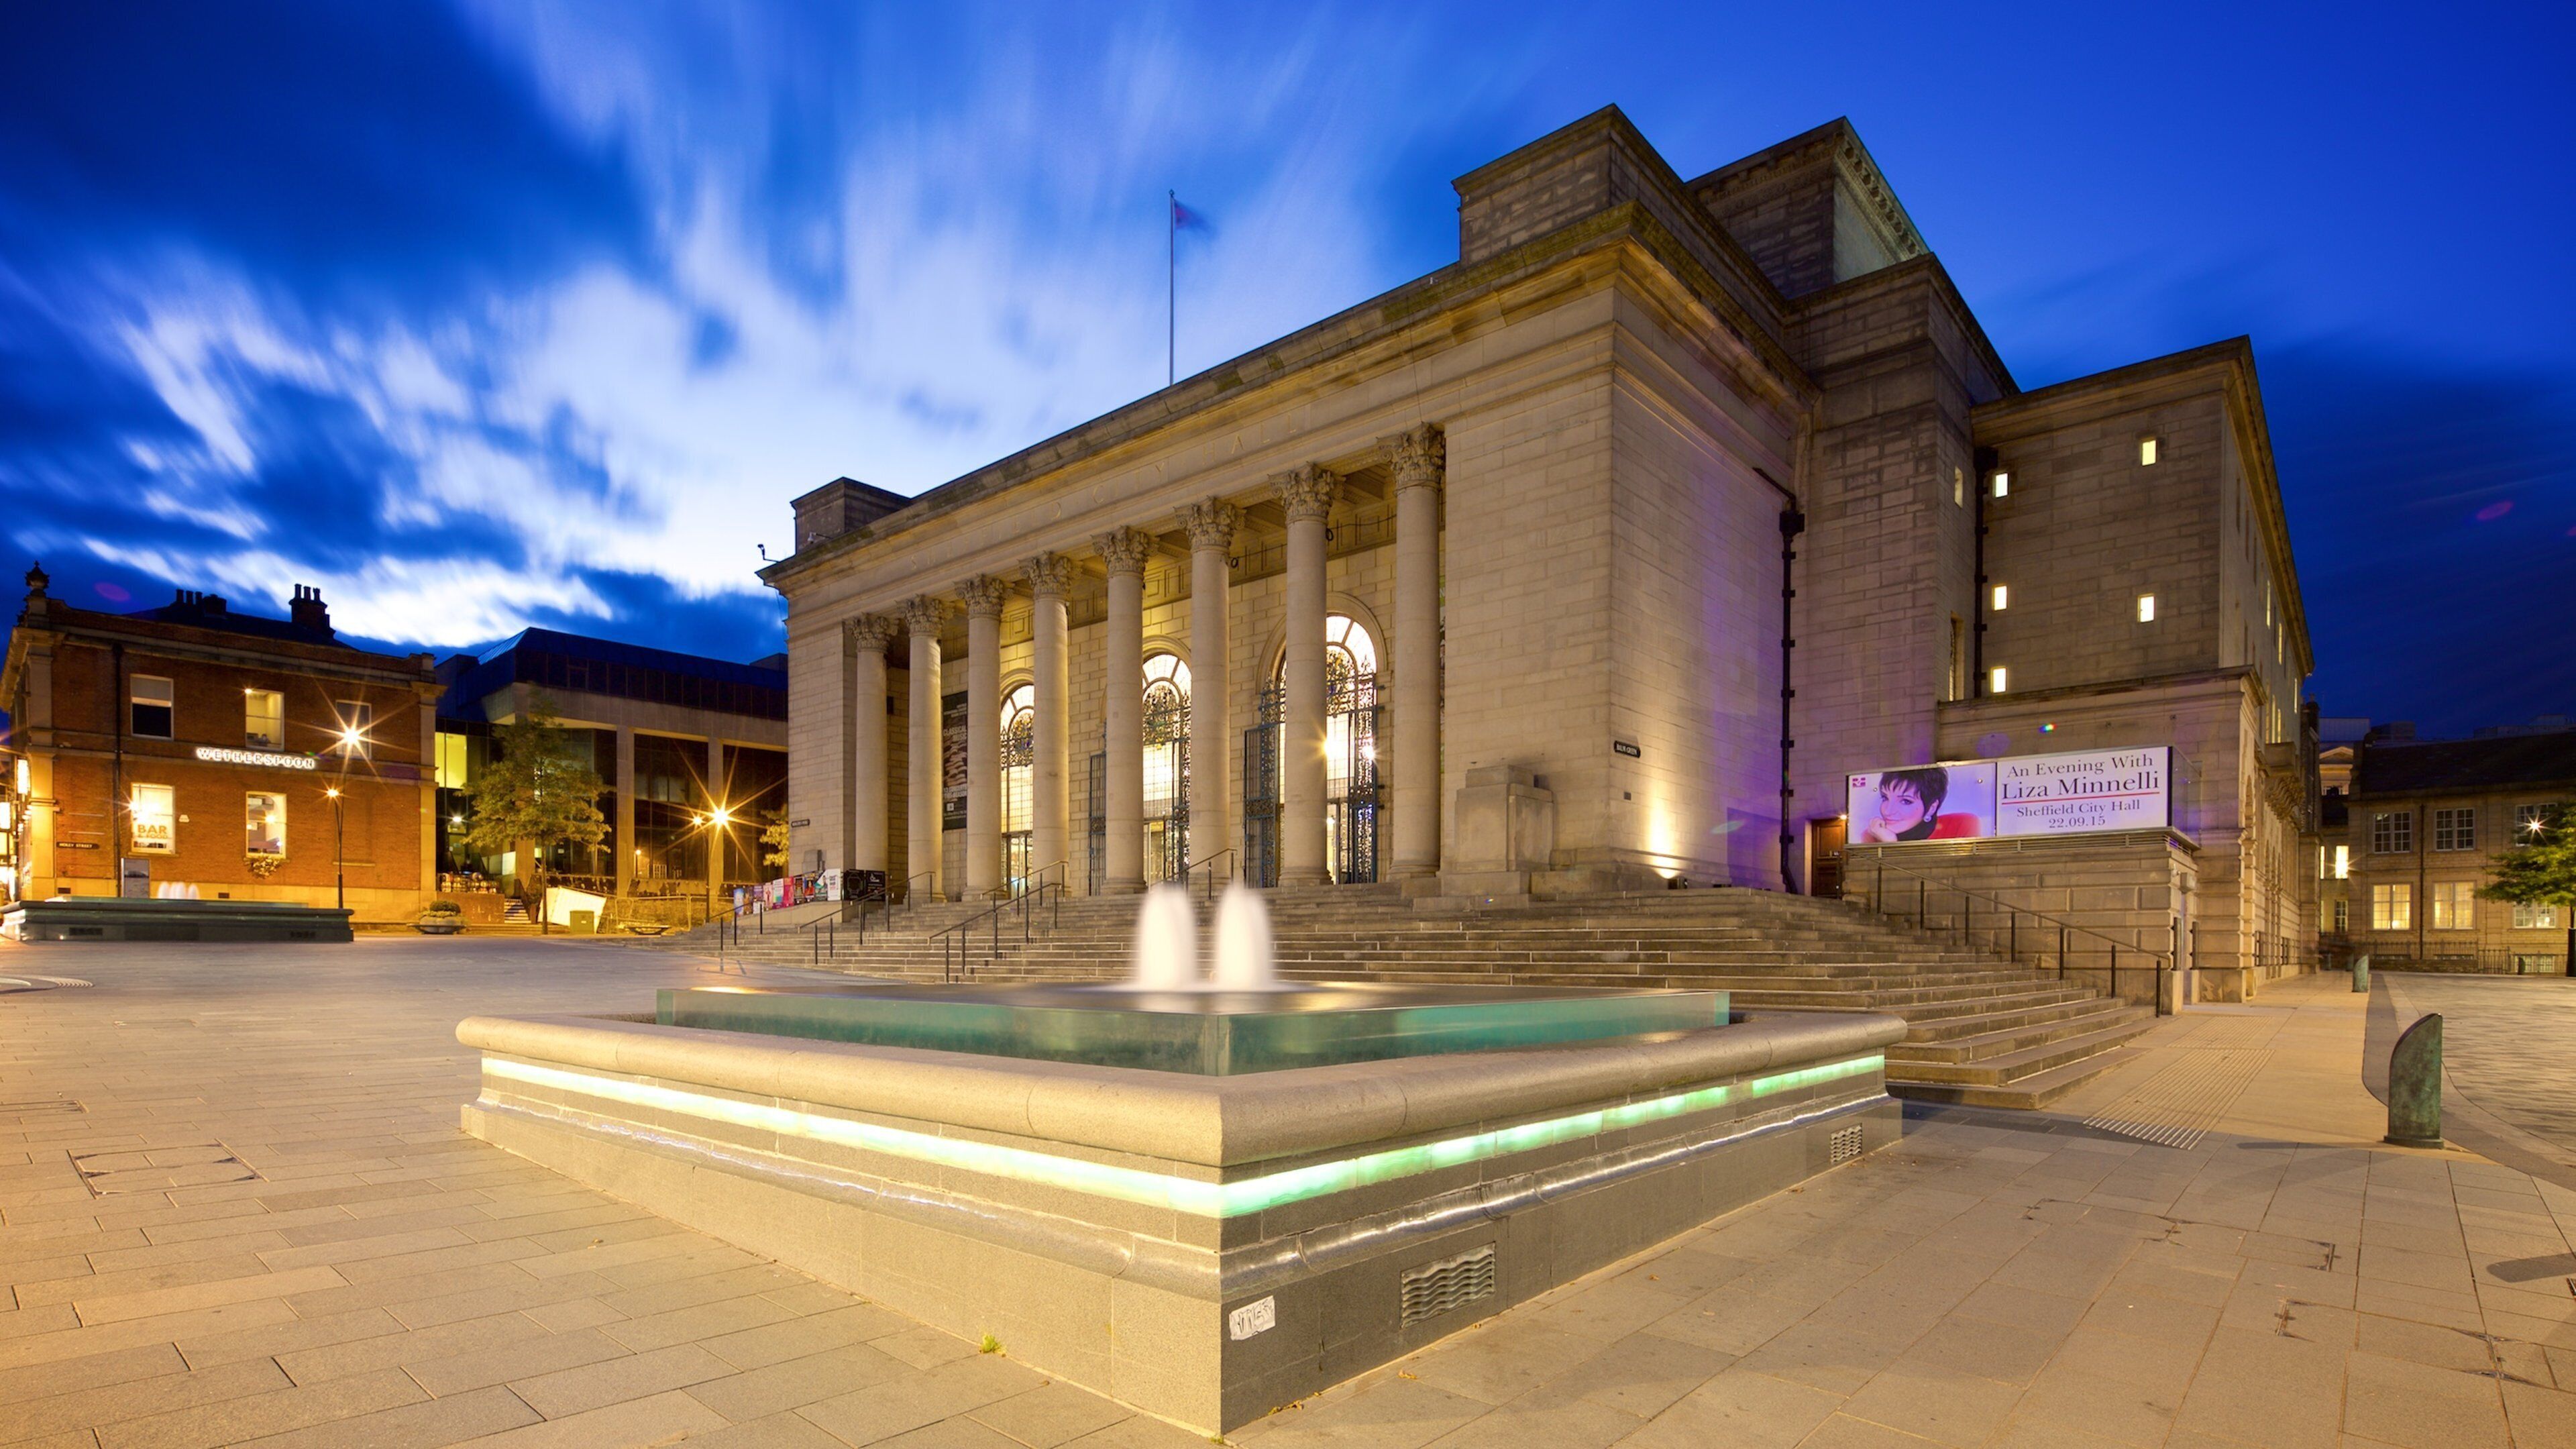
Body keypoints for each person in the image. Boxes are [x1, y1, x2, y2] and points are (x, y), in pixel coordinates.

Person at [1858, 766, 1949, 843]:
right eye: (1885, 798)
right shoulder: (1872, 834)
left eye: (1905, 801)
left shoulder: (1957, 827)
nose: (1888, 812)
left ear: (1931, 809)